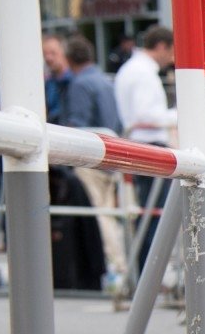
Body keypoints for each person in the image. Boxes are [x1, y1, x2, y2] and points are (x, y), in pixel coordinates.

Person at [59, 35, 129, 286]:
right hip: (112, 153)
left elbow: (77, 123)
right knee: (108, 211)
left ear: (69, 59)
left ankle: (113, 264)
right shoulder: (104, 81)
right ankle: (119, 261)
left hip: (91, 156)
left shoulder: (80, 85)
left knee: (98, 213)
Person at [113, 25, 176, 270]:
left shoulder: (131, 69)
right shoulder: (142, 72)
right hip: (150, 146)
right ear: (161, 46)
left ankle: (145, 271)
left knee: (149, 214)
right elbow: (146, 115)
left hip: (139, 144)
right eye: (171, 51)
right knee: (155, 214)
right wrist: (179, 115)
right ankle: (149, 271)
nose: (172, 58)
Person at [42, 33, 71, 124]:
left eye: (53, 53)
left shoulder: (75, 81)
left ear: (64, 52)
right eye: (45, 54)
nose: (48, 58)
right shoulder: (48, 83)